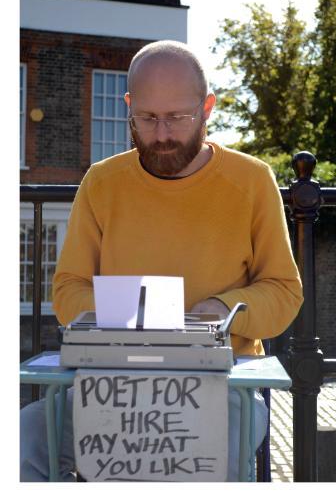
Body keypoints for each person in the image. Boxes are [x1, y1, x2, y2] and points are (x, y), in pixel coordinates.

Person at [20, 40, 303, 482]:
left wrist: (221, 310)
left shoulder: (252, 180)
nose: (163, 134)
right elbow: (68, 289)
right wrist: (127, 318)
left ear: (208, 107)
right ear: (128, 106)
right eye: (148, 118)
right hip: (110, 381)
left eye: (178, 117)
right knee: (24, 439)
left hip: (223, 383)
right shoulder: (101, 182)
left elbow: (285, 291)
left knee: (208, 454)